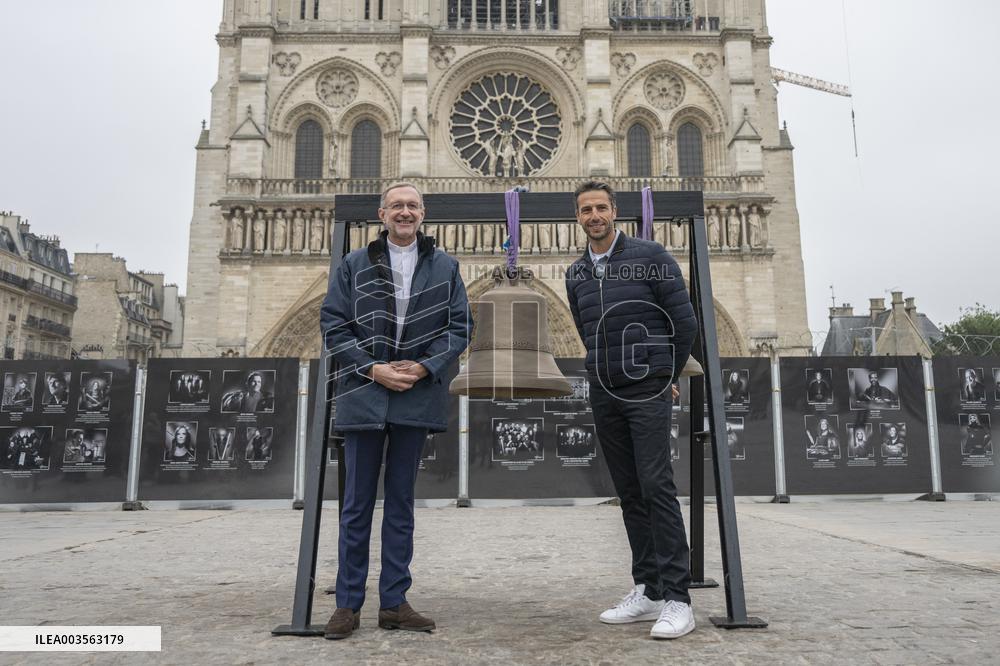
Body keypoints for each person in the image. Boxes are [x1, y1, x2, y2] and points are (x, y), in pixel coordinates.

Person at [320, 182, 471, 640]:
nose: (405, 213)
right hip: (365, 392)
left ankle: (394, 602)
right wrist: (373, 369)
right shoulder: (353, 264)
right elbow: (333, 324)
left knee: (402, 505)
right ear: (381, 214)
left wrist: (425, 367)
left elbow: (460, 326)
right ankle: (347, 605)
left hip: (414, 393)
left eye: (412, 206)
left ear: (423, 214)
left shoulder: (445, 266)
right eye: (397, 206)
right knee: (356, 506)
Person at [564, 181, 698, 640]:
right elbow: (584, 328)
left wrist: (665, 374)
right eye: (586, 210)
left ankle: (679, 599)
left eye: (601, 207)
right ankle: (649, 587)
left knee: (656, 486)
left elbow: (685, 321)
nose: (594, 215)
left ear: (615, 212)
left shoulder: (651, 256)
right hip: (605, 390)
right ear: (578, 217)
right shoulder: (577, 273)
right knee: (629, 491)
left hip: (647, 388)